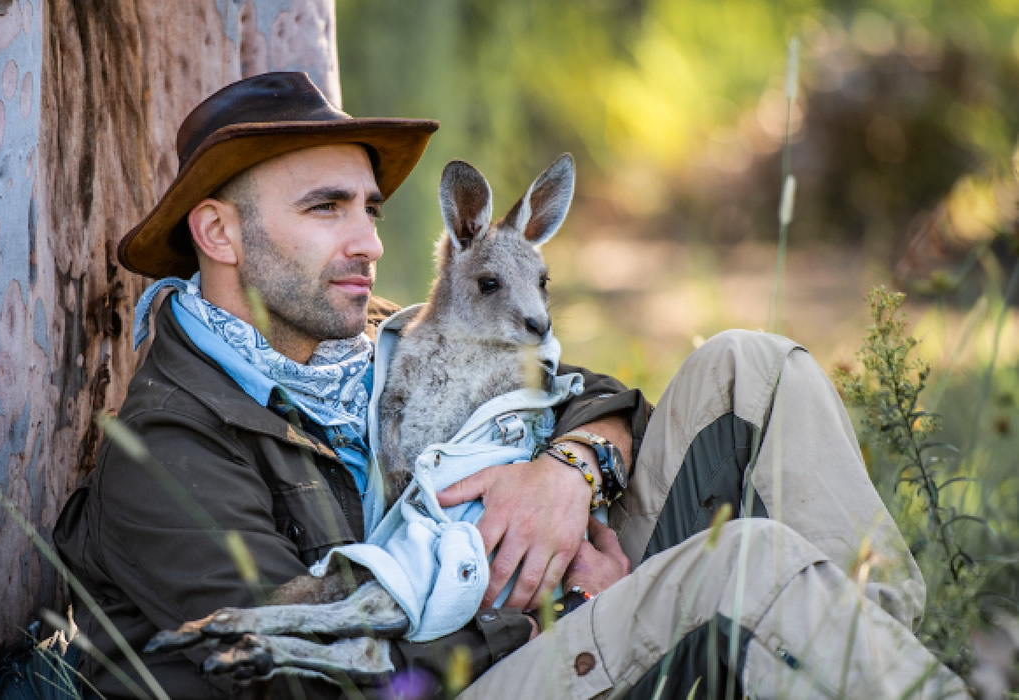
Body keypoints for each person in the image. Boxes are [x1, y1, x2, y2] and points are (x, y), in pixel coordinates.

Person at [50, 72, 966, 699]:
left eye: (369, 208)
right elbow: (303, 675)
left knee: (752, 369)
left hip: (515, 602)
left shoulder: (366, 343)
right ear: (219, 233)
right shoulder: (169, 448)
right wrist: (551, 611)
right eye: (325, 208)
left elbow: (598, 399)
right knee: (747, 564)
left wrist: (570, 473)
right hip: (457, 674)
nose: (369, 241)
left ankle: (888, 665)